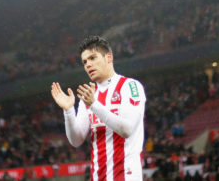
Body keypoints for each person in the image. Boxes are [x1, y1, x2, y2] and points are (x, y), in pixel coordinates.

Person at [51, 36, 147, 180]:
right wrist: (69, 111)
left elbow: (127, 130)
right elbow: (76, 140)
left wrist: (94, 105)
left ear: (109, 58)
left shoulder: (130, 86)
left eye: (93, 58)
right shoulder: (88, 96)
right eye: (84, 62)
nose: (88, 64)